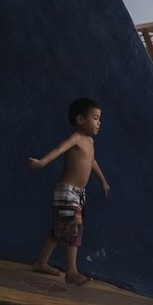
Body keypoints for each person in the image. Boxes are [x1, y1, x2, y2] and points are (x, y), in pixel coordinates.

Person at [25, 97, 110, 285]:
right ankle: (71, 271)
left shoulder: (90, 142)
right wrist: (41, 162)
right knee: (73, 229)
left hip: (78, 194)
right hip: (67, 193)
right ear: (80, 120)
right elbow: (58, 149)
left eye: (99, 119)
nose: (99, 123)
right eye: (95, 118)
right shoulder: (76, 138)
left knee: (60, 230)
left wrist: (102, 180)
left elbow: (92, 161)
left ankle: (41, 262)